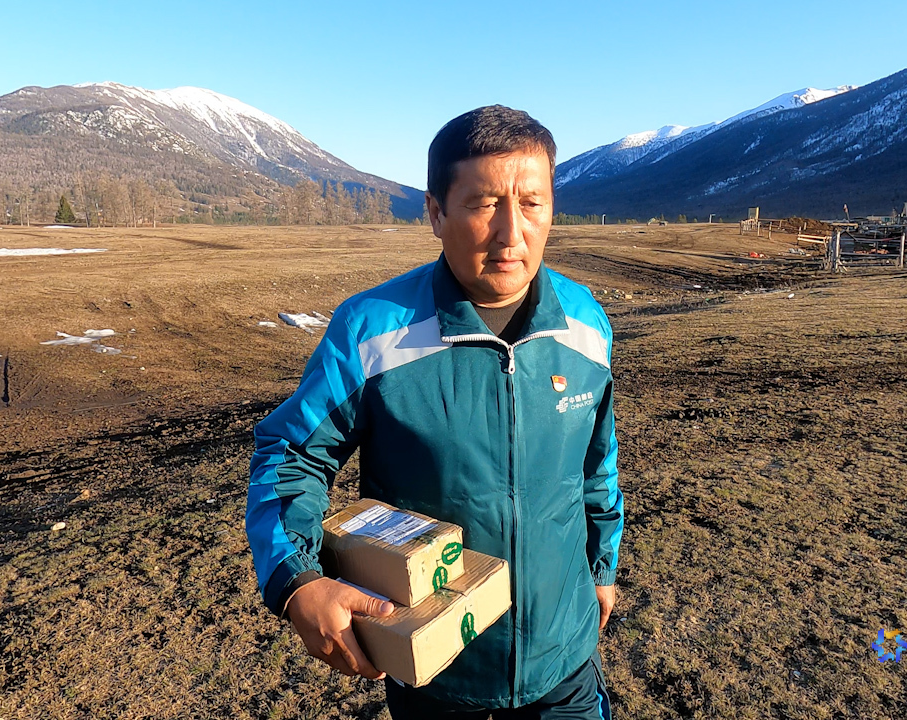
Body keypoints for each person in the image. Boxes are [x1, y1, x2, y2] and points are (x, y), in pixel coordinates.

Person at [245, 105, 623, 719]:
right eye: (483, 204)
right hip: (436, 669)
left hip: (566, 659)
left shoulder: (585, 324)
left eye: (532, 203)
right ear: (436, 213)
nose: (512, 233)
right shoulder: (372, 332)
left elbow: (596, 465)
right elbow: (291, 455)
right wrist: (298, 582)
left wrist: (602, 568)